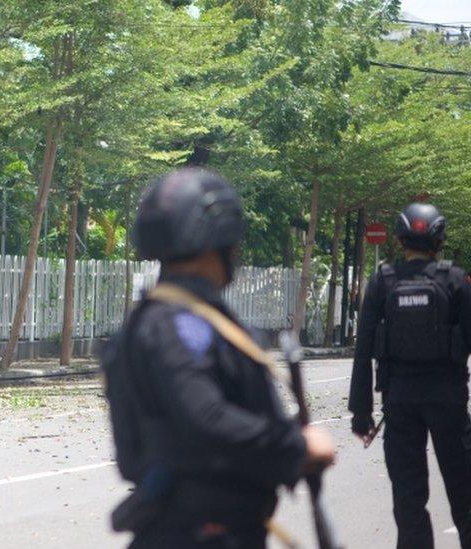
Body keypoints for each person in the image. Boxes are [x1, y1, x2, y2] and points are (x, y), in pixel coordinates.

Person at [103, 167, 336, 549]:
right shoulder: (180, 324)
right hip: (201, 534)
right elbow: (205, 418)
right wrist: (298, 445)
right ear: (219, 240)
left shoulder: (164, 319)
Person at [349, 203, 471, 549]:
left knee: (408, 503)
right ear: (440, 239)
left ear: (401, 238)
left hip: (399, 404)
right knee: (465, 499)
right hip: (448, 402)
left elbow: (363, 351)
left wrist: (361, 413)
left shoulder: (383, 282)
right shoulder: (456, 280)